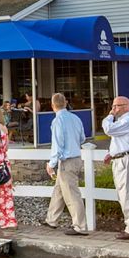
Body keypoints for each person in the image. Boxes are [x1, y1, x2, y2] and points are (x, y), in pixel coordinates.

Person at [43, 93, 87, 235]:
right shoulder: (75, 118)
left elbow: (57, 144)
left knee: (72, 194)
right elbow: (82, 138)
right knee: (59, 190)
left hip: (66, 160)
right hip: (76, 158)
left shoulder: (58, 121)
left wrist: (51, 163)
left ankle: (80, 226)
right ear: (66, 103)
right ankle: (51, 219)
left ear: (52, 105)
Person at [102, 96, 129, 240]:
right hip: (119, 159)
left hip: (125, 160)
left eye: (116, 106)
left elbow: (108, 129)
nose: (113, 109)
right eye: (113, 106)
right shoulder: (122, 122)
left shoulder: (128, 121)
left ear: (126, 106)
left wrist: (109, 116)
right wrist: (110, 154)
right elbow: (119, 141)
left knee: (126, 195)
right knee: (123, 195)